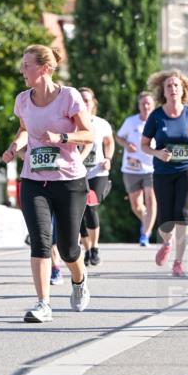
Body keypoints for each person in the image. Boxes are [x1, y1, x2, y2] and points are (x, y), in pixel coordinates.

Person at [2, 45, 93, 324]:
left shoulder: (69, 97)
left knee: (68, 248)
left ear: (44, 68)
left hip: (69, 181)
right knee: (41, 242)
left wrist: (62, 139)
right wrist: (13, 147)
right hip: (33, 180)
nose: (22, 70)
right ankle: (43, 303)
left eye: (27, 65)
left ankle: (79, 280)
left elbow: (88, 134)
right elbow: (24, 129)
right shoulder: (22, 100)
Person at [141, 71, 188, 277]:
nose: (173, 89)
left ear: (183, 90)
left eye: (176, 85)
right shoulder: (156, 116)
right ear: (163, 91)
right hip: (164, 171)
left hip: (187, 168)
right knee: (166, 218)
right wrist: (157, 153)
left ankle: (179, 262)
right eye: (168, 86)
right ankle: (167, 242)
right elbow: (144, 145)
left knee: (182, 214)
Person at [78, 87, 114, 266]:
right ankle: (86, 248)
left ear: (93, 103)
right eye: (81, 99)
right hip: (77, 173)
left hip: (98, 171)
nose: (84, 103)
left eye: (87, 100)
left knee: (90, 206)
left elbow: (109, 142)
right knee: (78, 212)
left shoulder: (101, 124)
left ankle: (95, 248)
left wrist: (108, 158)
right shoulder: (70, 123)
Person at [116, 91, 156, 246]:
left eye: (148, 103)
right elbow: (118, 137)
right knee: (136, 205)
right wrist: (126, 144)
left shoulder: (158, 122)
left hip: (151, 168)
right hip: (131, 168)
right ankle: (146, 220)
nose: (146, 106)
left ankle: (145, 235)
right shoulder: (130, 122)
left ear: (153, 106)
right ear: (139, 105)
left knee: (151, 199)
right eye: (143, 103)